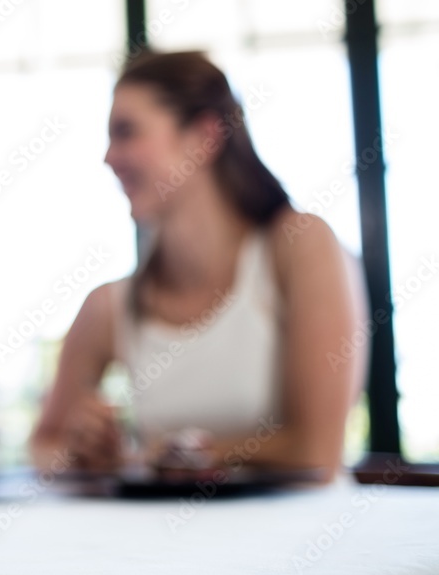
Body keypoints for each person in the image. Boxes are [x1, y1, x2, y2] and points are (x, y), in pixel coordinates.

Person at [31, 51, 367, 482]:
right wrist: (81, 453)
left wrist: (155, 455)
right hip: (163, 547)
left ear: (205, 137)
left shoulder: (299, 245)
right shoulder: (108, 305)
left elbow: (316, 451)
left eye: (126, 132)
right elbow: (44, 445)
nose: (108, 158)